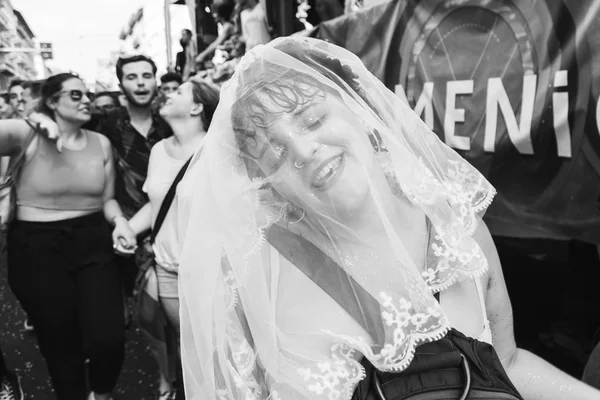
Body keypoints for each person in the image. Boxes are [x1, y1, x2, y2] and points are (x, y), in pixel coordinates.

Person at [177, 37, 600, 400]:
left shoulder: (458, 231)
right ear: (269, 183)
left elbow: (505, 361)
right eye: (277, 153)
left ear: (363, 115)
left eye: (314, 120)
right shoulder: (253, 274)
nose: (304, 151)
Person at [0, 73, 133, 400]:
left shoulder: (99, 143)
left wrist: (120, 222)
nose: (85, 100)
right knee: (60, 342)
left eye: (86, 94)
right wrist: (32, 119)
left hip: (92, 241)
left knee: (109, 338)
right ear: (52, 102)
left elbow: (108, 199)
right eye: (75, 95)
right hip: (36, 249)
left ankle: (100, 395)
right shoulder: (27, 134)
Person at [113, 78, 220, 400]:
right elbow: (157, 203)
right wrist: (128, 228)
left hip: (210, 272)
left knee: (217, 346)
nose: (166, 94)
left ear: (197, 107)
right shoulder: (160, 149)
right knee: (188, 343)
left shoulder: (217, 148)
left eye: (177, 91)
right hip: (168, 268)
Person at [195, 1, 236, 65]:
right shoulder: (226, 26)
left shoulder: (227, 26)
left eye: (215, 12)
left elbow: (217, 43)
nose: (213, 15)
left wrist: (202, 55)